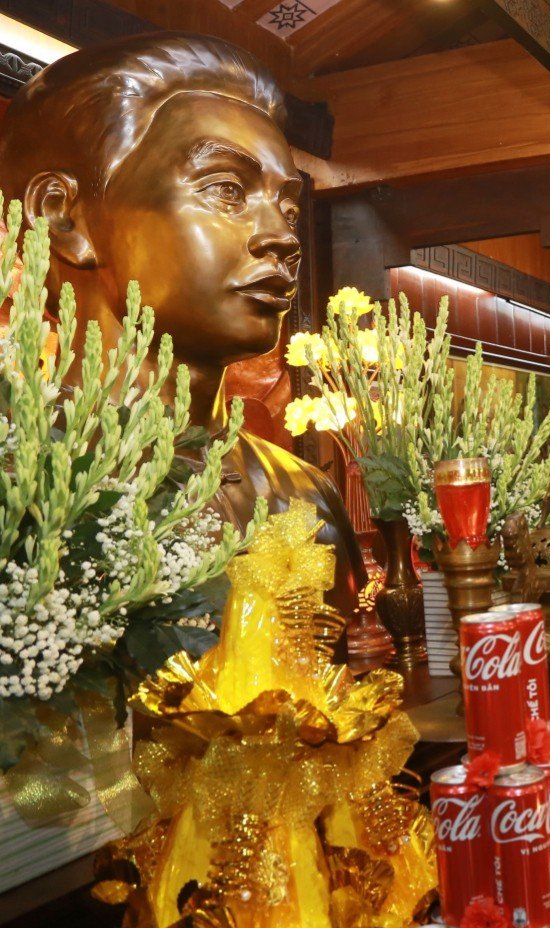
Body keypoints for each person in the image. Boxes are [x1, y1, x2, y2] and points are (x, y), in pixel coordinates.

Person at [0, 33, 364, 626]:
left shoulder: (304, 494)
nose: (284, 237)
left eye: (289, 207)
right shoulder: (18, 485)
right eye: (226, 188)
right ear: (63, 218)